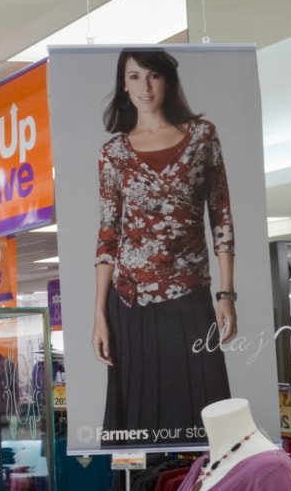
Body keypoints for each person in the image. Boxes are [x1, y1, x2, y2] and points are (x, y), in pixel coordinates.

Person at [92, 48, 235, 444]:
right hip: (130, 302)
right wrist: (99, 314)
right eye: (135, 76)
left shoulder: (202, 136)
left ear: (168, 80)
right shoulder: (114, 154)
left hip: (189, 295)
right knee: (137, 419)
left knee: (206, 411)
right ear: (123, 83)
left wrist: (226, 294)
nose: (145, 86)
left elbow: (220, 217)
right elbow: (108, 235)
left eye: (153, 76)